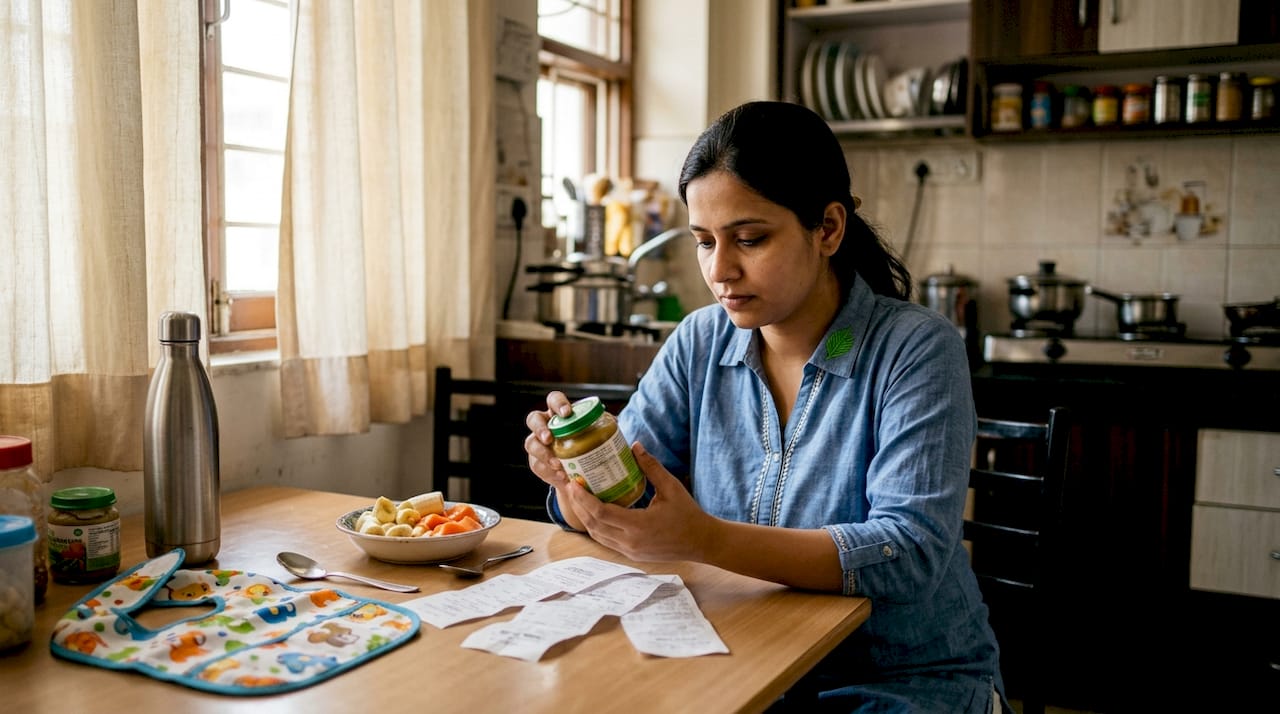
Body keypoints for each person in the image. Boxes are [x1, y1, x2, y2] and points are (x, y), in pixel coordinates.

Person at [523, 100, 1004, 713]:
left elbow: (908, 554)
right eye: (704, 242)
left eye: (749, 239)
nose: (720, 270)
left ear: (828, 228)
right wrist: (577, 472)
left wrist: (706, 540)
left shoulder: (916, 348)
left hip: (901, 680)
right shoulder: (700, 340)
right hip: (738, 659)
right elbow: (638, 503)